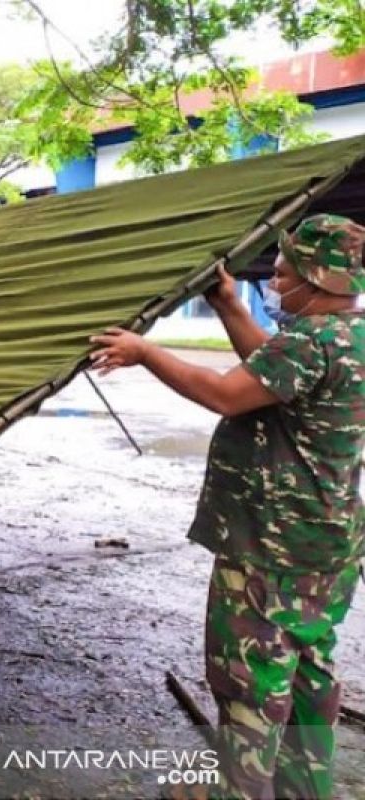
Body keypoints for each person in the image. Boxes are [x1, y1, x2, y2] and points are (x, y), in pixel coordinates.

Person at [90, 214, 365, 800]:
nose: (275, 279)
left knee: (251, 677)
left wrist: (144, 351)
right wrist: (229, 307)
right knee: (312, 672)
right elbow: (274, 371)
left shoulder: (311, 342)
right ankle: (305, 788)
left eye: (285, 272)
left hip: (273, 547)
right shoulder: (349, 336)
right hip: (330, 545)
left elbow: (227, 394)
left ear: (315, 283)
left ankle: (237, 792)